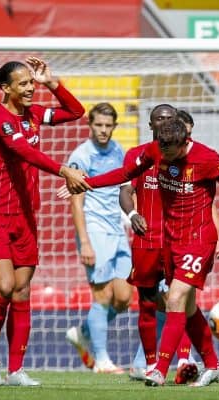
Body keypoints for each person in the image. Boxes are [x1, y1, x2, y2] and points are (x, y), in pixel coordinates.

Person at [60, 118, 219, 387]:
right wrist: (87, 183)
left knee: (175, 298)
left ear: (184, 143)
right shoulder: (157, 150)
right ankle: (213, 365)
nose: (164, 158)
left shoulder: (207, 158)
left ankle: (159, 369)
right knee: (188, 309)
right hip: (171, 240)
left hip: (199, 240)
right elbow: (124, 175)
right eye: (162, 151)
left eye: (170, 153)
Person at [0, 57, 89, 386]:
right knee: (5, 287)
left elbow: (76, 112)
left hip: (25, 216)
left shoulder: (36, 114)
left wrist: (53, 84)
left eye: (31, 83)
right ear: (5, 87)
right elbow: (24, 151)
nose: (29, 88)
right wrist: (64, 170)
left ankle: (16, 370)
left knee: (22, 291)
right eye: (23, 84)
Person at [119, 105, 219, 384]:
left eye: (170, 120)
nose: (164, 124)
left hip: (177, 239)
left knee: (176, 297)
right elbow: (124, 189)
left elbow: (204, 199)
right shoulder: (141, 155)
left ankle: (180, 360)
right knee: (148, 302)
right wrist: (132, 215)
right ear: (151, 125)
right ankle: (149, 362)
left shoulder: (184, 157)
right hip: (146, 239)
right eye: (159, 120)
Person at [64, 102, 139, 374]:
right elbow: (76, 201)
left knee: (124, 297)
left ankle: (83, 331)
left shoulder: (119, 150)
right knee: (102, 295)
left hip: (117, 230)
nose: (103, 130)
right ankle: (102, 361)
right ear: (90, 125)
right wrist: (84, 240)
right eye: (98, 125)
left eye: (108, 126)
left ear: (114, 127)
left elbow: (126, 188)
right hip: (94, 230)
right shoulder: (82, 156)